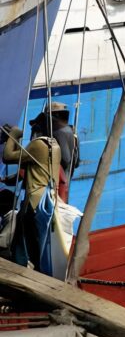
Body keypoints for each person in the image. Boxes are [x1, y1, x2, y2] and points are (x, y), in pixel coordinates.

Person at [1, 122, 60, 270]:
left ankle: (19, 274)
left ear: (37, 132)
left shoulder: (39, 144)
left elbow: (7, 157)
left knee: (22, 246)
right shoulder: (53, 146)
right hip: (46, 201)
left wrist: (14, 134)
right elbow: (25, 166)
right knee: (36, 246)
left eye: (32, 131)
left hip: (33, 202)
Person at [29, 101, 78, 200]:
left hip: (51, 187)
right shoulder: (71, 133)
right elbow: (75, 162)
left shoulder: (56, 133)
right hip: (63, 185)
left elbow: (65, 159)